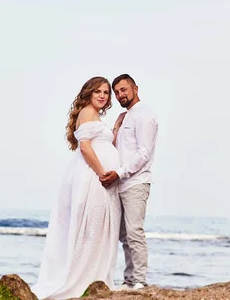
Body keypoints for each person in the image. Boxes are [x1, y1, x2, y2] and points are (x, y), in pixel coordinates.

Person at [32, 77, 122, 299]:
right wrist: (102, 173)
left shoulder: (95, 116)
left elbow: (101, 144)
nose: (102, 96)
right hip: (93, 178)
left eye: (106, 92)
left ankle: (95, 276)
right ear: (88, 94)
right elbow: (85, 148)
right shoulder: (87, 113)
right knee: (91, 227)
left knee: (99, 228)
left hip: (99, 177)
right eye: (98, 92)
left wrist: (116, 130)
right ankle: (85, 277)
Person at [100, 74, 158, 290]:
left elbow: (144, 153)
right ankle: (129, 280)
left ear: (135, 88)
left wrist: (120, 172)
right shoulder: (126, 116)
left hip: (135, 182)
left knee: (134, 232)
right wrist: (115, 128)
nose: (120, 95)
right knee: (124, 235)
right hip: (120, 183)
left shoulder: (144, 115)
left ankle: (140, 280)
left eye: (123, 90)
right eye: (116, 92)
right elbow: (118, 150)